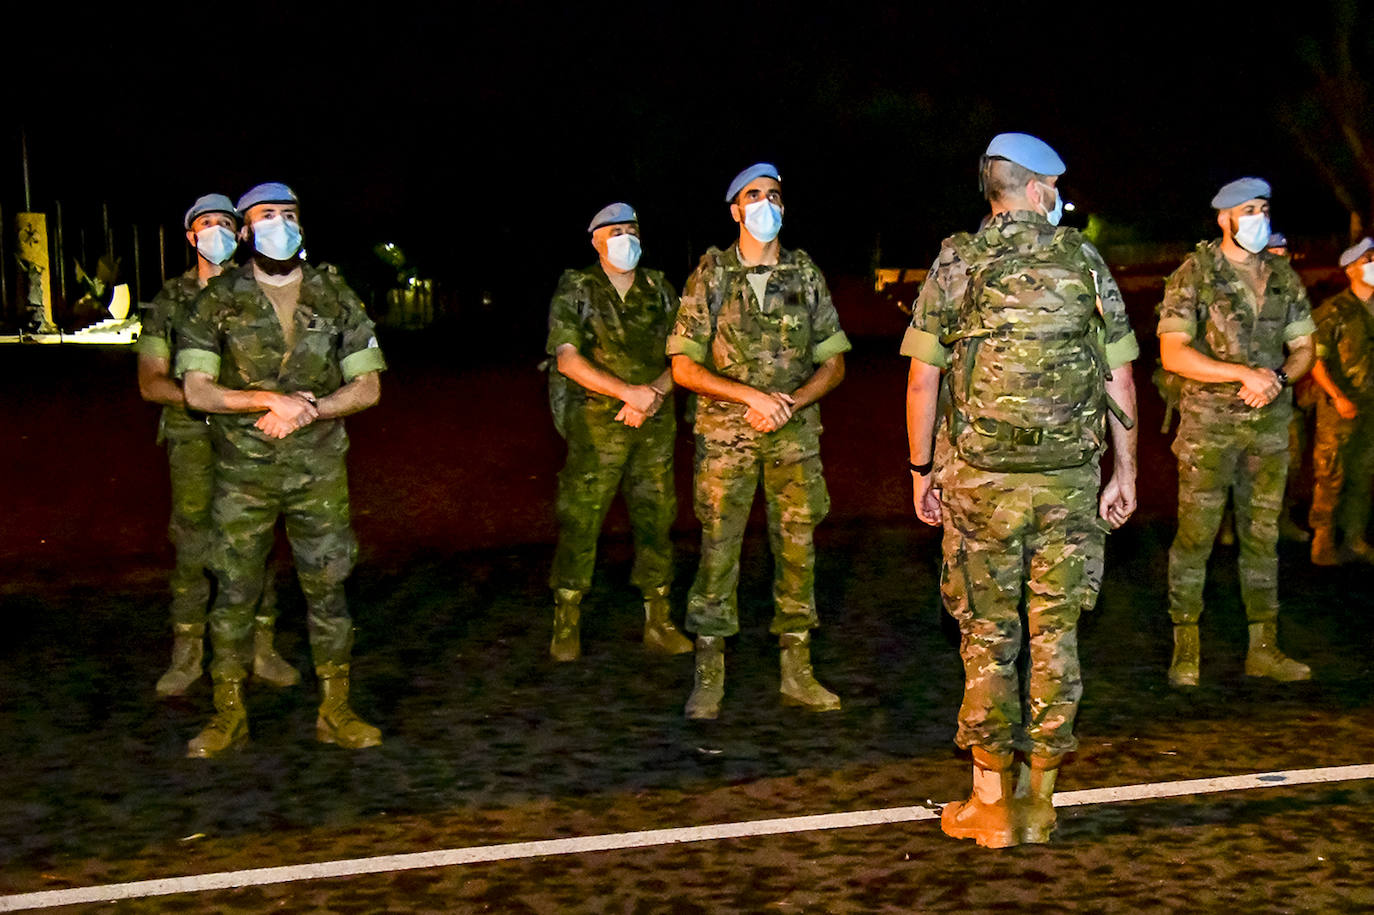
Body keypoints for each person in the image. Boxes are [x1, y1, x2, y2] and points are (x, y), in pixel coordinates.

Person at [904, 133, 1139, 848]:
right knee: (1055, 634)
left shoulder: (958, 261)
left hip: (979, 482)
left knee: (987, 634)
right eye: (1055, 186)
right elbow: (1119, 378)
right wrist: (1125, 471)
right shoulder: (1082, 260)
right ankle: (1041, 799)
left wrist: (922, 470)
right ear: (1035, 189)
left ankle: (989, 803)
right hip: (1068, 483)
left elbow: (923, 377)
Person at [176, 182, 387, 757]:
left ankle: (336, 709)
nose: (280, 226)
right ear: (245, 231)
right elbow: (197, 391)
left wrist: (311, 407)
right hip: (243, 471)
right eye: (267, 217)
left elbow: (366, 385)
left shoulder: (334, 294)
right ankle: (228, 714)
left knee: (329, 590)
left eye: (289, 215)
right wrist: (267, 401)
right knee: (235, 591)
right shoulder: (214, 301)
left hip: (317, 469)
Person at [668, 162, 849, 720]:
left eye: (774, 194)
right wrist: (750, 397)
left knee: (798, 551)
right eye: (754, 195)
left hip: (794, 439)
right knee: (719, 550)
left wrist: (792, 401)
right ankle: (709, 670)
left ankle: (797, 669)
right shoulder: (711, 275)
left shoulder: (805, 274)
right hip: (727, 439)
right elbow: (682, 366)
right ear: (735, 209)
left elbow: (834, 363)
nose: (766, 203)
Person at [136, 193, 297, 697]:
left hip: (250, 435)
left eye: (227, 224)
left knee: (257, 538)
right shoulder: (172, 300)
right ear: (191, 235)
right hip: (194, 435)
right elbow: (151, 381)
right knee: (193, 540)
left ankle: (261, 648)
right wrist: (209, 400)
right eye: (207, 224)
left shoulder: (254, 292)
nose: (218, 233)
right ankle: (187, 655)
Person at [1158, 177, 1316, 689]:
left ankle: (1263, 648)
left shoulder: (1283, 276)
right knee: (1196, 539)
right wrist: (1241, 374)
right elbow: (1173, 352)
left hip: (1268, 429)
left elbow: (1305, 347)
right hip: (1209, 430)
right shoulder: (1195, 274)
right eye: (1249, 209)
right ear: (1224, 217)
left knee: (1262, 539)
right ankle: (1186, 646)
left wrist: (1278, 379)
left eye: (1264, 208)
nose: (1259, 217)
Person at [545, 202, 691, 661]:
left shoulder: (659, 287)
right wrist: (628, 393)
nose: (626, 237)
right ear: (596, 240)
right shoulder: (577, 288)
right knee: (581, 519)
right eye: (615, 231)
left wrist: (652, 395)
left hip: (653, 421)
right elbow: (567, 358)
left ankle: (659, 618)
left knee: (657, 517)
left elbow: (684, 354)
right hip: (595, 425)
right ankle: (566, 620)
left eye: (632, 229)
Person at [1308, 237, 1374, 565]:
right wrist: (1337, 396)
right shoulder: (1333, 310)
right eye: (1368, 260)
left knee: (1364, 475)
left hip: (1371, 405)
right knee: (1331, 474)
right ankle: (1322, 538)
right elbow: (1315, 361)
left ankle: (1354, 537)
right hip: (1340, 407)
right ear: (1350, 269)